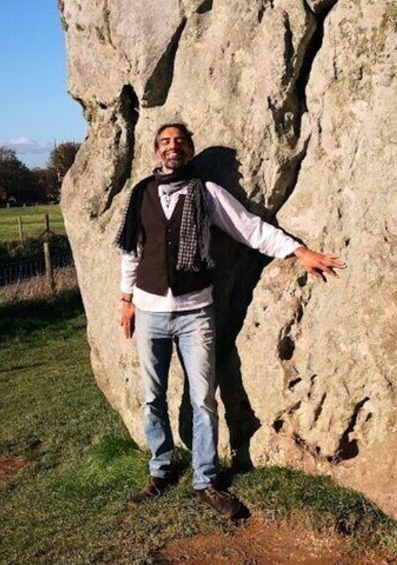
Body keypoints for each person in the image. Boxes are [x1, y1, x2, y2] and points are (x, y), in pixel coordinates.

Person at [115, 123, 345, 518]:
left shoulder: (208, 194)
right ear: (157, 152)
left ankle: (205, 479)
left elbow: (251, 230)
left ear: (190, 150)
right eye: (166, 142)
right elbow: (132, 252)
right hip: (150, 311)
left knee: (203, 398)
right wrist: (126, 299)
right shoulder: (141, 195)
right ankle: (161, 468)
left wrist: (299, 251)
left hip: (195, 312)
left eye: (181, 142)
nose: (174, 147)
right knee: (152, 397)